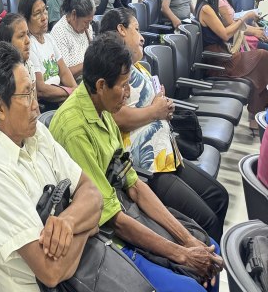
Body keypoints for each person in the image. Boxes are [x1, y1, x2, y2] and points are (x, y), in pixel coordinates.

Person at [51, 33, 223, 292]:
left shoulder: (102, 109)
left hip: (123, 207)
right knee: (191, 285)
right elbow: (113, 219)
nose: (128, 93)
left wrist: (187, 240)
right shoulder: (75, 130)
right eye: (123, 86)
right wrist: (181, 253)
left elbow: (134, 185)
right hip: (104, 233)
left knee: (209, 250)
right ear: (101, 85)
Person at [0, 42, 103, 291]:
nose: (36, 105)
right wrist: (87, 226)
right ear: (0, 107)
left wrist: (68, 222)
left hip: (82, 273)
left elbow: (93, 194)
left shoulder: (35, 132)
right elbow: (50, 272)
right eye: (26, 95)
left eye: (34, 92)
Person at [100, 8, 229, 242]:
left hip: (168, 153)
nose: (142, 37)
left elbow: (153, 106)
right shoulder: (111, 73)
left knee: (219, 196)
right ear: (121, 30)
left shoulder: (139, 67)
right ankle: (207, 259)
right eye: (136, 29)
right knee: (207, 220)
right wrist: (155, 111)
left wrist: (163, 106)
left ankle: (213, 255)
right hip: (148, 165)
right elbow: (115, 117)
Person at [196, 0, 268, 130]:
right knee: (263, 56)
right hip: (218, 60)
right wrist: (244, 18)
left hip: (223, 54)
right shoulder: (206, 9)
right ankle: (256, 112)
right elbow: (225, 33)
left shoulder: (209, 6)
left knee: (261, 63)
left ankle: (256, 113)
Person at [18, 0, 76, 107]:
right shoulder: (29, 44)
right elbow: (40, 89)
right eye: (37, 13)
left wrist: (76, 89)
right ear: (26, 19)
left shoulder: (49, 38)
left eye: (45, 10)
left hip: (61, 94)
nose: (44, 17)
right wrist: (71, 92)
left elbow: (64, 71)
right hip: (47, 103)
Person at [50, 0, 94, 80]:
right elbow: (63, 74)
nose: (88, 26)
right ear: (74, 14)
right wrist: (89, 63)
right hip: (72, 83)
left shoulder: (87, 28)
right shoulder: (59, 32)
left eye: (90, 22)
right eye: (86, 22)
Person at [0, 12, 35, 84]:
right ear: (7, 43)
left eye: (28, 34)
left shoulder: (29, 64)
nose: (28, 41)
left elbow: (33, 91)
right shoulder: (0, 74)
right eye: (21, 36)